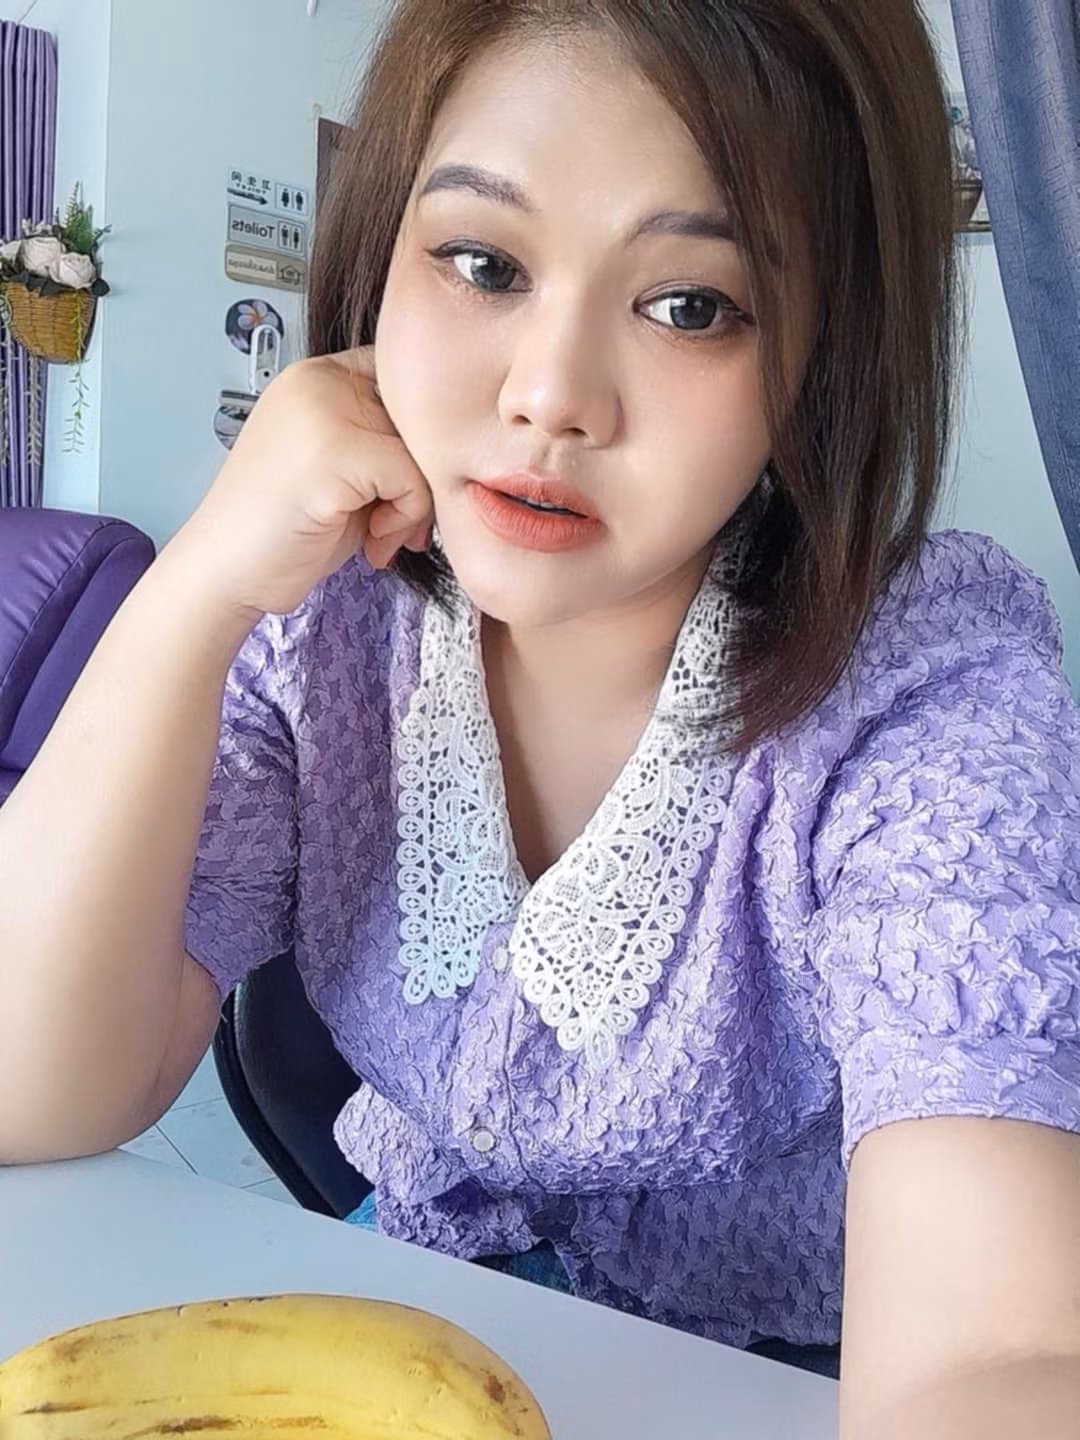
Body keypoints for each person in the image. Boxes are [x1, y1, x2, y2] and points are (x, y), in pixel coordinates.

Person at [2, 1, 1079, 1432]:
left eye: (691, 305)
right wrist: (194, 590)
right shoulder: (324, 616)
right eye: (483, 263)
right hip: (413, 1309)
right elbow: (30, 1088)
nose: (550, 396)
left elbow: (989, 1355)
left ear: (824, 352)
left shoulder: (927, 684)